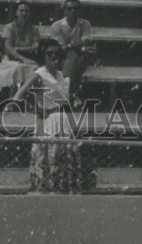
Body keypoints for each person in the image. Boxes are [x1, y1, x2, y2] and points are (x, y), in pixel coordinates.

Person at [17, 39, 91, 193]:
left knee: (67, 160)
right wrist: (36, 108)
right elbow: (19, 95)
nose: (53, 57)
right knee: (49, 159)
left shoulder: (60, 75)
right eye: (49, 53)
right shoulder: (39, 74)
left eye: (57, 53)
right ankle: (47, 189)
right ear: (43, 56)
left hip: (64, 121)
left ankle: (64, 189)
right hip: (49, 121)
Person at [48, 0, 95, 105]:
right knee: (73, 55)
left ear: (79, 10)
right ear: (64, 10)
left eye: (75, 8)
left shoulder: (85, 24)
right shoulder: (56, 26)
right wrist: (80, 47)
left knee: (73, 55)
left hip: (81, 58)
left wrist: (72, 46)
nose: (72, 11)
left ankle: (66, 90)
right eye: (69, 9)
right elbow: (61, 48)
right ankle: (74, 93)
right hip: (61, 60)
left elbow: (86, 42)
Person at [0, 1, 40, 96]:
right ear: (16, 12)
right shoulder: (9, 27)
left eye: (26, 11)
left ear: (30, 13)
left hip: (29, 58)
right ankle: (13, 97)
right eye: (21, 10)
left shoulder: (34, 29)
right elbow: (8, 47)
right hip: (11, 60)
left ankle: (24, 97)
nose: (24, 13)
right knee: (17, 69)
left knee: (35, 70)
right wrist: (22, 57)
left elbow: (35, 47)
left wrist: (18, 49)